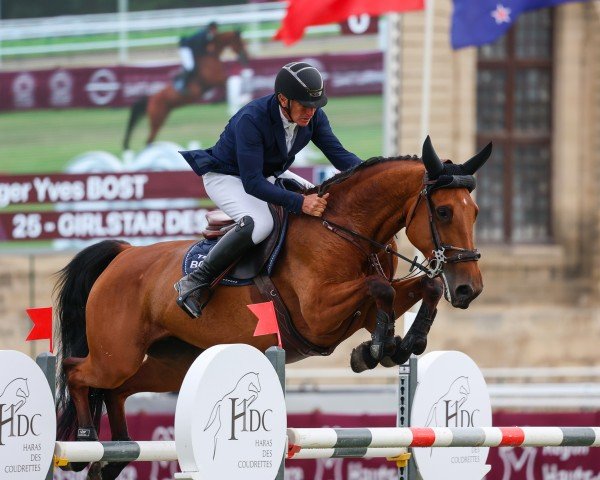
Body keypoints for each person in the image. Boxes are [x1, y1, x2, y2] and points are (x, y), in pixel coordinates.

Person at [175, 61, 362, 318]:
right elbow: (252, 183)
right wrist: (300, 203)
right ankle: (196, 281)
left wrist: (374, 174)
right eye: (304, 105)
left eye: (315, 106)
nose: (311, 112)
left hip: (266, 172)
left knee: (326, 202)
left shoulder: (314, 116)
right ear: (283, 99)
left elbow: (339, 155)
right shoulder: (252, 119)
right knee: (261, 223)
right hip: (228, 176)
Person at [176, 21, 218, 93]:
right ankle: (181, 85)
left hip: (190, 49)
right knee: (190, 67)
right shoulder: (204, 35)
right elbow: (198, 48)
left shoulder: (207, 35)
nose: (216, 31)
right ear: (212, 28)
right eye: (215, 29)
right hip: (185, 49)